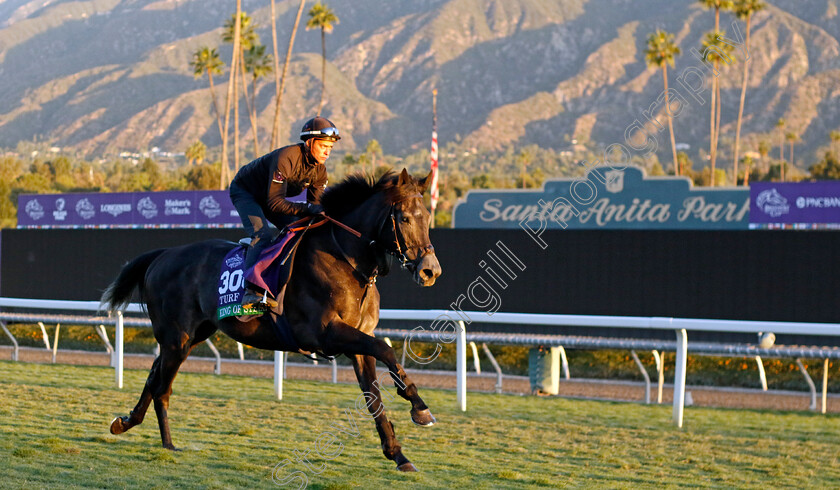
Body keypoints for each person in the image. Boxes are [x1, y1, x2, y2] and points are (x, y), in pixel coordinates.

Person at [229, 116, 340, 311]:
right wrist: (308, 208)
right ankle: (251, 292)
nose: (327, 152)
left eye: (330, 148)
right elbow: (274, 203)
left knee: (301, 231)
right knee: (262, 235)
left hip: (271, 197)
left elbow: (314, 211)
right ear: (309, 142)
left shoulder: (320, 172)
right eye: (323, 146)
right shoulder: (287, 158)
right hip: (246, 192)